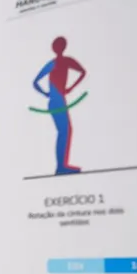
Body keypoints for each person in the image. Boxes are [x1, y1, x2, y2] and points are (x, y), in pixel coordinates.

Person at [32, 36, 87, 175]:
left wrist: (68, 88)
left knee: (65, 131)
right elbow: (36, 81)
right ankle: (61, 167)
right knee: (64, 131)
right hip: (56, 102)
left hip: (59, 100)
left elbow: (82, 72)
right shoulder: (56, 63)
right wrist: (48, 93)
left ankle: (61, 165)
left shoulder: (63, 62)